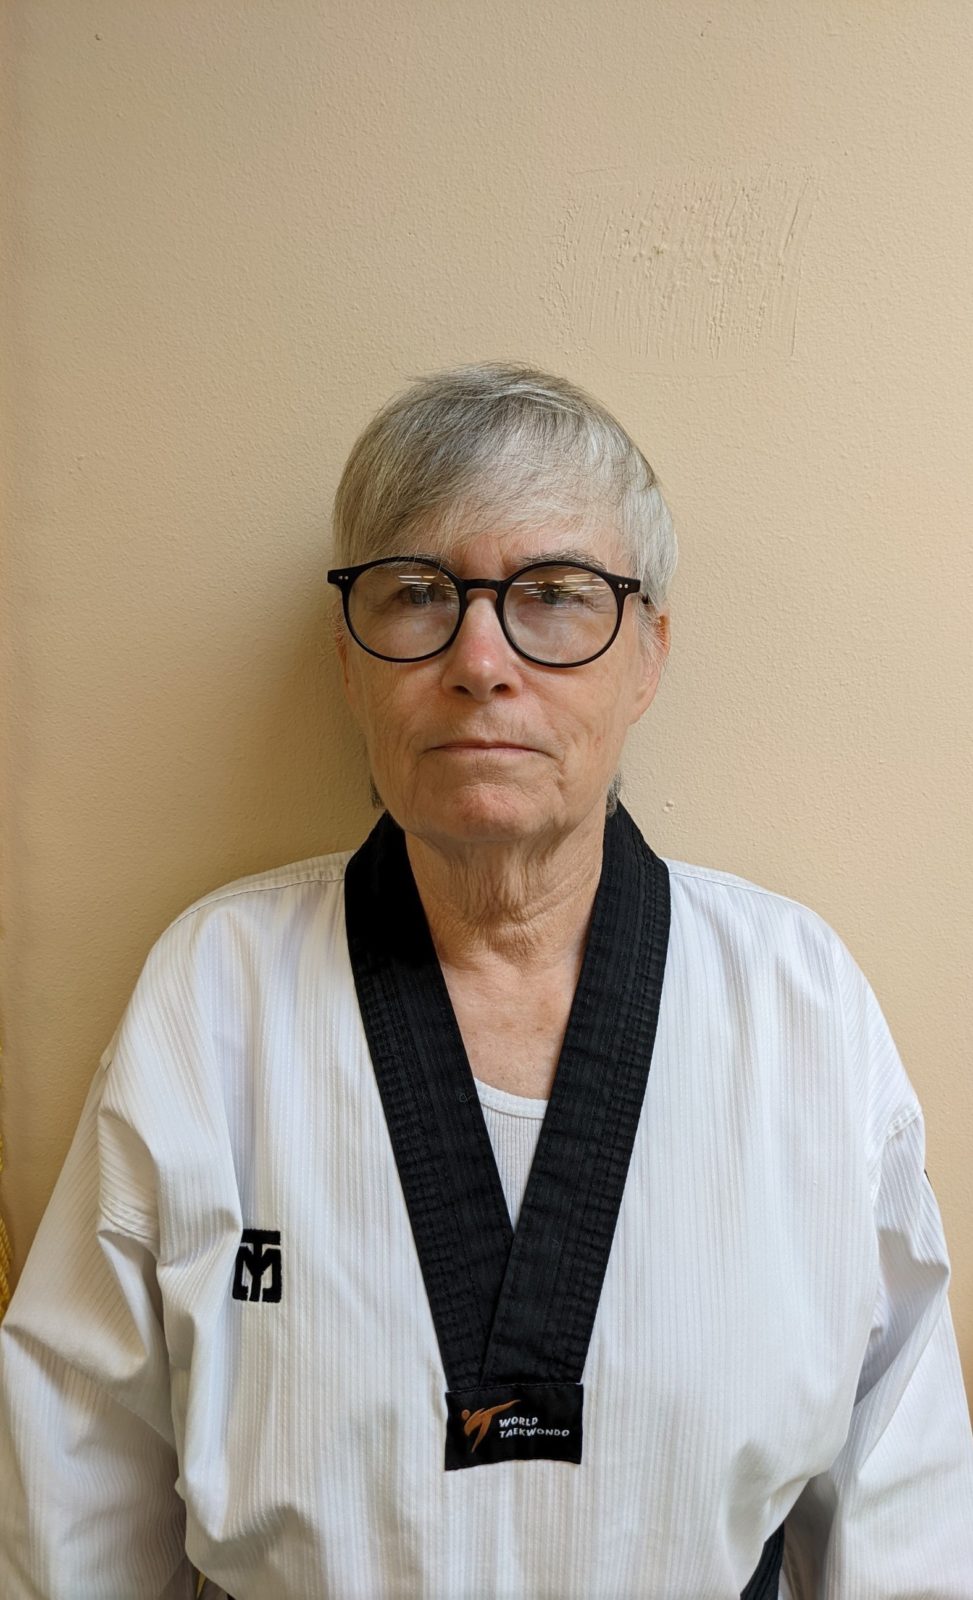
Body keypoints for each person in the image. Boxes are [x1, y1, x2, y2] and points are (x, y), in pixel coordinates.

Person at [1, 362, 971, 1600]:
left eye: (554, 595)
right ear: (350, 662)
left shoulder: (799, 1006)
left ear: (648, 655)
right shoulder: (215, 996)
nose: (479, 659)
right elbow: (70, 1503)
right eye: (417, 593)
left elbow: (904, 1512)